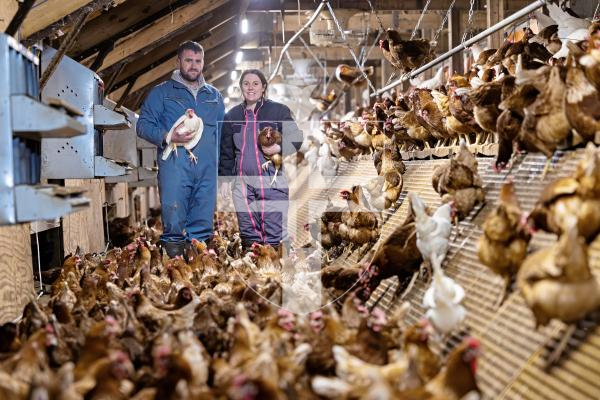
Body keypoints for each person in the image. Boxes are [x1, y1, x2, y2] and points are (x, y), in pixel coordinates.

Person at [137, 40, 225, 258]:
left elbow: (221, 133)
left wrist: (222, 166)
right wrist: (168, 136)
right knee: (174, 218)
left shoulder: (214, 96)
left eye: (198, 61)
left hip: (207, 169)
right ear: (178, 62)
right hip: (175, 166)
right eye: (188, 60)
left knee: (203, 222)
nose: (194, 65)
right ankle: (173, 262)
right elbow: (143, 125)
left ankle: (198, 266)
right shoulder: (161, 93)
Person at [219, 69, 302, 251]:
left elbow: (296, 138)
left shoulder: (278, 111)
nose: (251, 87)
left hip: (271, 180)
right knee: (249, 235)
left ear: (263, 87)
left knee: (274, 234)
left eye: (255, 83)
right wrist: (225, 179)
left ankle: (278, 266)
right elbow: (227, 152)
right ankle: (254, 266)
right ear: (241, 87)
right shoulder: (231, 116)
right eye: (246, 83)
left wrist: (279, 147)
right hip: (242, 185)